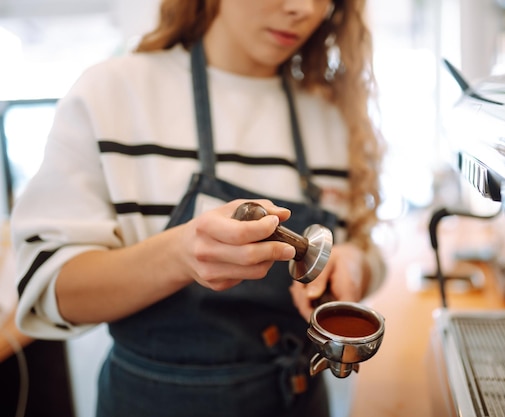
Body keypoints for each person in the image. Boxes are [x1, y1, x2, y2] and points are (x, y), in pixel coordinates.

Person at [11, 0, 386, 416]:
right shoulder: (113, 94)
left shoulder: (331, 116)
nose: (303, 8)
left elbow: (362, 248)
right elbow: (48, 290)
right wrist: (178, 255)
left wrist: (355, 264)